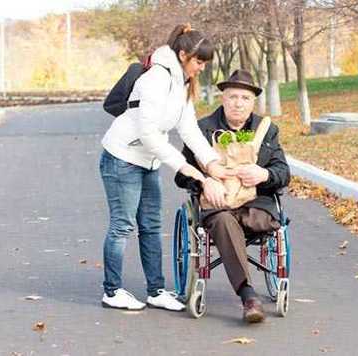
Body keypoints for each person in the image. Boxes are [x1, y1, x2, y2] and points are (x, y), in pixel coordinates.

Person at [99, 24, 232, 311]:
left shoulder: (181, 83)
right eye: (199, 62)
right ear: (183, 54)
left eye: (205, 63)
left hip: (148, 161)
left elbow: (189, 130)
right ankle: (111, 291)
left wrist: (211, 163)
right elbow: (148, 135)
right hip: (122, 158)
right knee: (123, 226)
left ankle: (156, 291)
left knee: (151, 226)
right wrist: (189, 169)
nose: (202, 68)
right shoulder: (156, 79)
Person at [174, 69, 291, 323]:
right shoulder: (202, 129)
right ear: (223, 99)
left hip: (256, 203)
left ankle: (247, 288)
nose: (238, 103)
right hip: (219, 206)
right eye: (233, 96)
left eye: (245, 98)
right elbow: (180, 174)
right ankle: (248, 296)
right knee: (226, 222)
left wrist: (263, 174)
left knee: (249, 221)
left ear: (253, 103)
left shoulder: (266, 130)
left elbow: (283, 173)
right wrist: (205, 182)